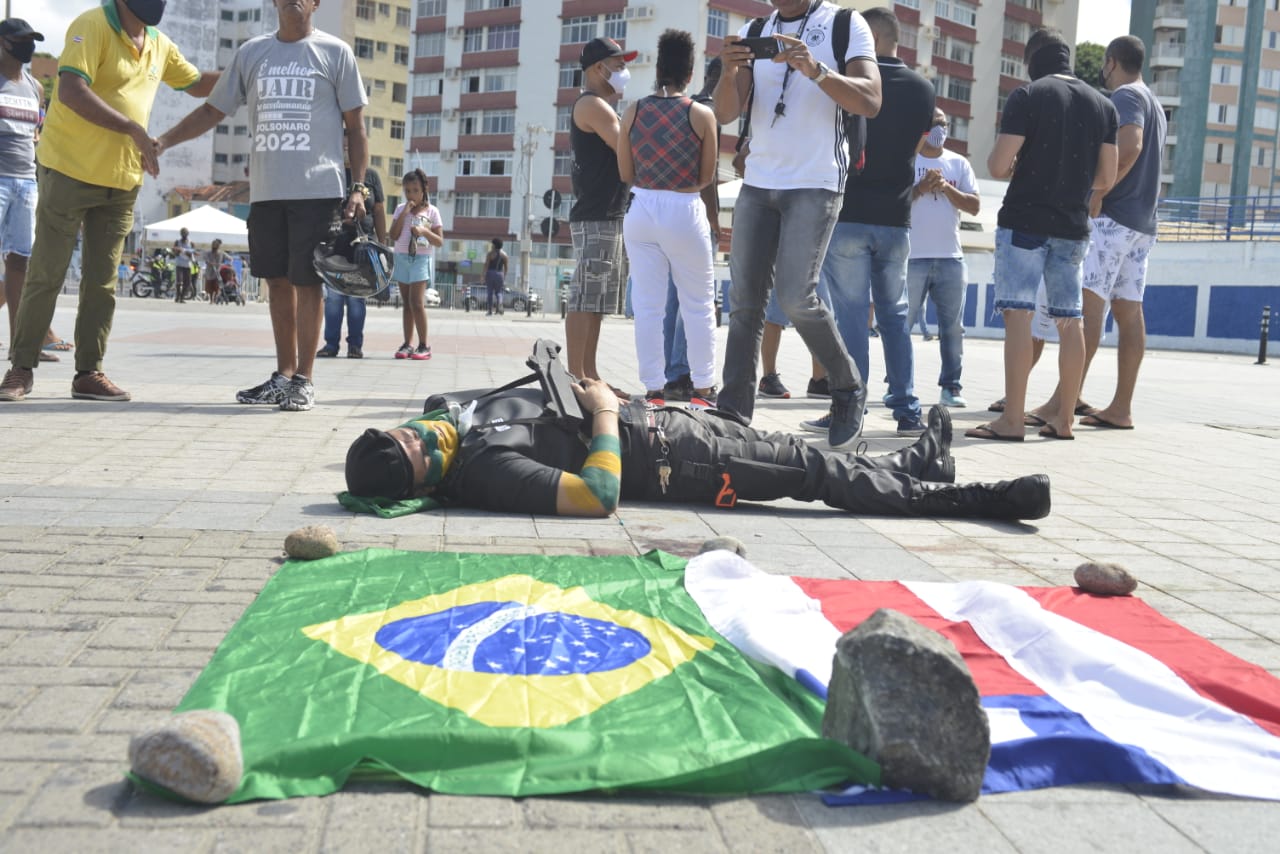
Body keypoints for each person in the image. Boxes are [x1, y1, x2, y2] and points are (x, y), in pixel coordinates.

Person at [340, 344, 1051, 522]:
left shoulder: (445, 409)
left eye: (415, 431)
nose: (432, 435)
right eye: (423, 453)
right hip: (676, 464)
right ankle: (972, 501)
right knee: (811, 476)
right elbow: (597, 497)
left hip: (671, 424)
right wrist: (609, 415)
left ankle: (923, 464)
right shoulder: (486, 472)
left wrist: (592, 391)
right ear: (423, 484)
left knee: (806, 454)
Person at [156, 0, 369, 412]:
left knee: (308, 283)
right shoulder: (252, 53)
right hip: (267, 191)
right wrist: (164, 141)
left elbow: (356, 127)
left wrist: (358, 187)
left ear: (316, 3)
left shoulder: (335, 52)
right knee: (276, 282)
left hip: (316, 188)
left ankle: (304, 380)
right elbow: (212, 109)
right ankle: (284, 375)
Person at [0, 2, 218, 403]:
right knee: (46, 274)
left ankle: (88, 372)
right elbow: (69, 91)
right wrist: (132, 128)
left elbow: (196, 84)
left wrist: (249, 73)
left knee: (102, 283)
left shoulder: (158, 44)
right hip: (69, 170)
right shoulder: (92, 25)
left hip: (121, 180)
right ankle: (21, 368)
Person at [713, 0, 882, 449]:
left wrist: (817, 70)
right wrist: (729, 71)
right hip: (760, 180)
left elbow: (870, 100)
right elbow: (727, 113)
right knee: (745, 300)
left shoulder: (846, 24)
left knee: (795, 295)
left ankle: (846, 387)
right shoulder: (756, 27)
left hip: (816, 180)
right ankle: (733, 410)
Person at [966, 28, 1118, 442]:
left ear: (1033, 60)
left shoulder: (1028, 96)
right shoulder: (1104, 106)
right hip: (1072, 227)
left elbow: (997, 166)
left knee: (1019, 315)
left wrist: (1024, 165)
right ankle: (1064, 420)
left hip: (1026, 223)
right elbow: (1106, 177)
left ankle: (1012, 419)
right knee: (1071, 321)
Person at [1032, 35, 1166, 432]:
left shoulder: (1125, 96)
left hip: (1114, 220)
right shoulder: (1154, 101)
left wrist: (1100, 190)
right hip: (1142, 223)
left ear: (1110, 63)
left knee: (1088, 310)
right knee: (1128, 311)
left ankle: (1062, 404)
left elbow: (1132, 145)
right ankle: (1120, 407)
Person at [815, 7, 935, 438]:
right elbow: (923, 144)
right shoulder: (924, 89)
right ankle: (906, 409)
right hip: (897, 218)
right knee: (895, 316)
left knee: (849, 317)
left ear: (871, 36)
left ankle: (850, 408)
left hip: (849, 214)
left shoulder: (849, 82)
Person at [617, 29, 719, 405]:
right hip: (684, 208)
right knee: (697, 303)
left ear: (657, 70)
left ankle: (654, 388)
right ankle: (704, 388)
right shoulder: (701, 114)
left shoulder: (633, 111)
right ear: (690, 74)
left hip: (640, 208)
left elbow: (626, 173)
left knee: (647, 304)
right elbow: (705, 177)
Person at [566, 37, 635, 389]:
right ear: (598, 69)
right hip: (596, 214)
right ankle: (576, 375)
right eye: (619, 65)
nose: (624, 72)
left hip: (608, 213)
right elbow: (628, 147)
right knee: (584, 294)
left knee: (598, 299)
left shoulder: (602, 105)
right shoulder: (593, 105)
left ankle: (590, 374)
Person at [906, 107, 980, 409]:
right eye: (936, 123)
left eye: (945, 124)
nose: (942, 129)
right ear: (923, 127)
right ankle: (900, 385)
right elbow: (894, 200)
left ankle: (951, 386)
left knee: (952, 327)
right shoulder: (908, 160)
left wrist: (946, 187)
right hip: (912, 256)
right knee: (901, 326)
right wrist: (921, 188)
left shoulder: (958, 163)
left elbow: (974, 206)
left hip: (950, 257)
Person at [318, 159, 386, 359]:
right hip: (335, 246)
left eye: (351, 142)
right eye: (343, 142)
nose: (347, 147)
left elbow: (380, 211)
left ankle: (355, 345)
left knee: (357, 300)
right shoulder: (333, 173)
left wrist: (382, 244)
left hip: (362, 248)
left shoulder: (371, 176)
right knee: (333, 299)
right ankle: (331, 344)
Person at [388, 168, 442, 360]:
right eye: (408, 191)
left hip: (420, 258)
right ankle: (407, 343)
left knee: (417, 302)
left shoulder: (432, 211)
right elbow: (393, 235)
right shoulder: (400, 209)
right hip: (402, 257)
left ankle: (424, 345)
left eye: (415, 190)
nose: (411, 195)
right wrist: (404, 213)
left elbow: (439, 241)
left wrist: (424, 232)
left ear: (424, 190)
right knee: (406, 304)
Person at [483, 238, 508, 316]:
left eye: (492, 244)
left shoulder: (490, 254)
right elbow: (506, 268)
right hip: (500, 274)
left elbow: (486, 265)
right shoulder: (505, 255)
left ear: (494, 245)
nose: (491, 245)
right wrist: (504, 276)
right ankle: (499, 306)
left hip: (490, 273)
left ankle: (490, 311)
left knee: (490, 292)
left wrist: (483, 275)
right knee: (499, 292)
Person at [172, 227, 195, 303]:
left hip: (187, 264)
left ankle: (182, 297)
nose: (184, 235)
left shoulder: (191, 243)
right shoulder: (177, 242)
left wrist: (187, 252)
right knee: (179, 281)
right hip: (179, 264)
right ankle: (177, 296)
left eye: (185, 233)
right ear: (181, 234)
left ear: (188, 234)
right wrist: (178, 251)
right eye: (183, 233)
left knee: (187, 282)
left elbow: (193, 253)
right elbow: (174, 252)